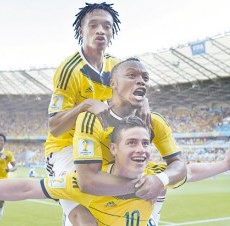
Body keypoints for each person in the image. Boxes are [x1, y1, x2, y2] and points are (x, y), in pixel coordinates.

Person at [0, 118, 229, 226]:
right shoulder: (83, 182)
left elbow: (191, 169)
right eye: (132, 142)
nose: (142, 149)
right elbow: (25, 188)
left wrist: (225, 164)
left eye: (146, 143)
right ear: (113, 149)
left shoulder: (154, 176)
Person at [72, 57, 188, 225]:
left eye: (145, 78)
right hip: (95, 203)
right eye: (132, 75)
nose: (141, 81)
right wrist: (145, 186)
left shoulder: (155, 122)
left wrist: (159, 180)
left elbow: (179, 165)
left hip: (135, 206)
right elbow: (88, 181)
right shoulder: (92, 119)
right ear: (113, 83)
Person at [44, 2, 124, 225]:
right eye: (94, 25)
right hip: (66, 149)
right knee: (85, 219)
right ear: (82, 30)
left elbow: (134, 97)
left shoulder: (118, 67)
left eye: (107, 26)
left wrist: (143, 101)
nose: (101, 30)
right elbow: (55, 126)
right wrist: (84, 106)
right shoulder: (69, 70)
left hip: (102, 145)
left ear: (112, 32)